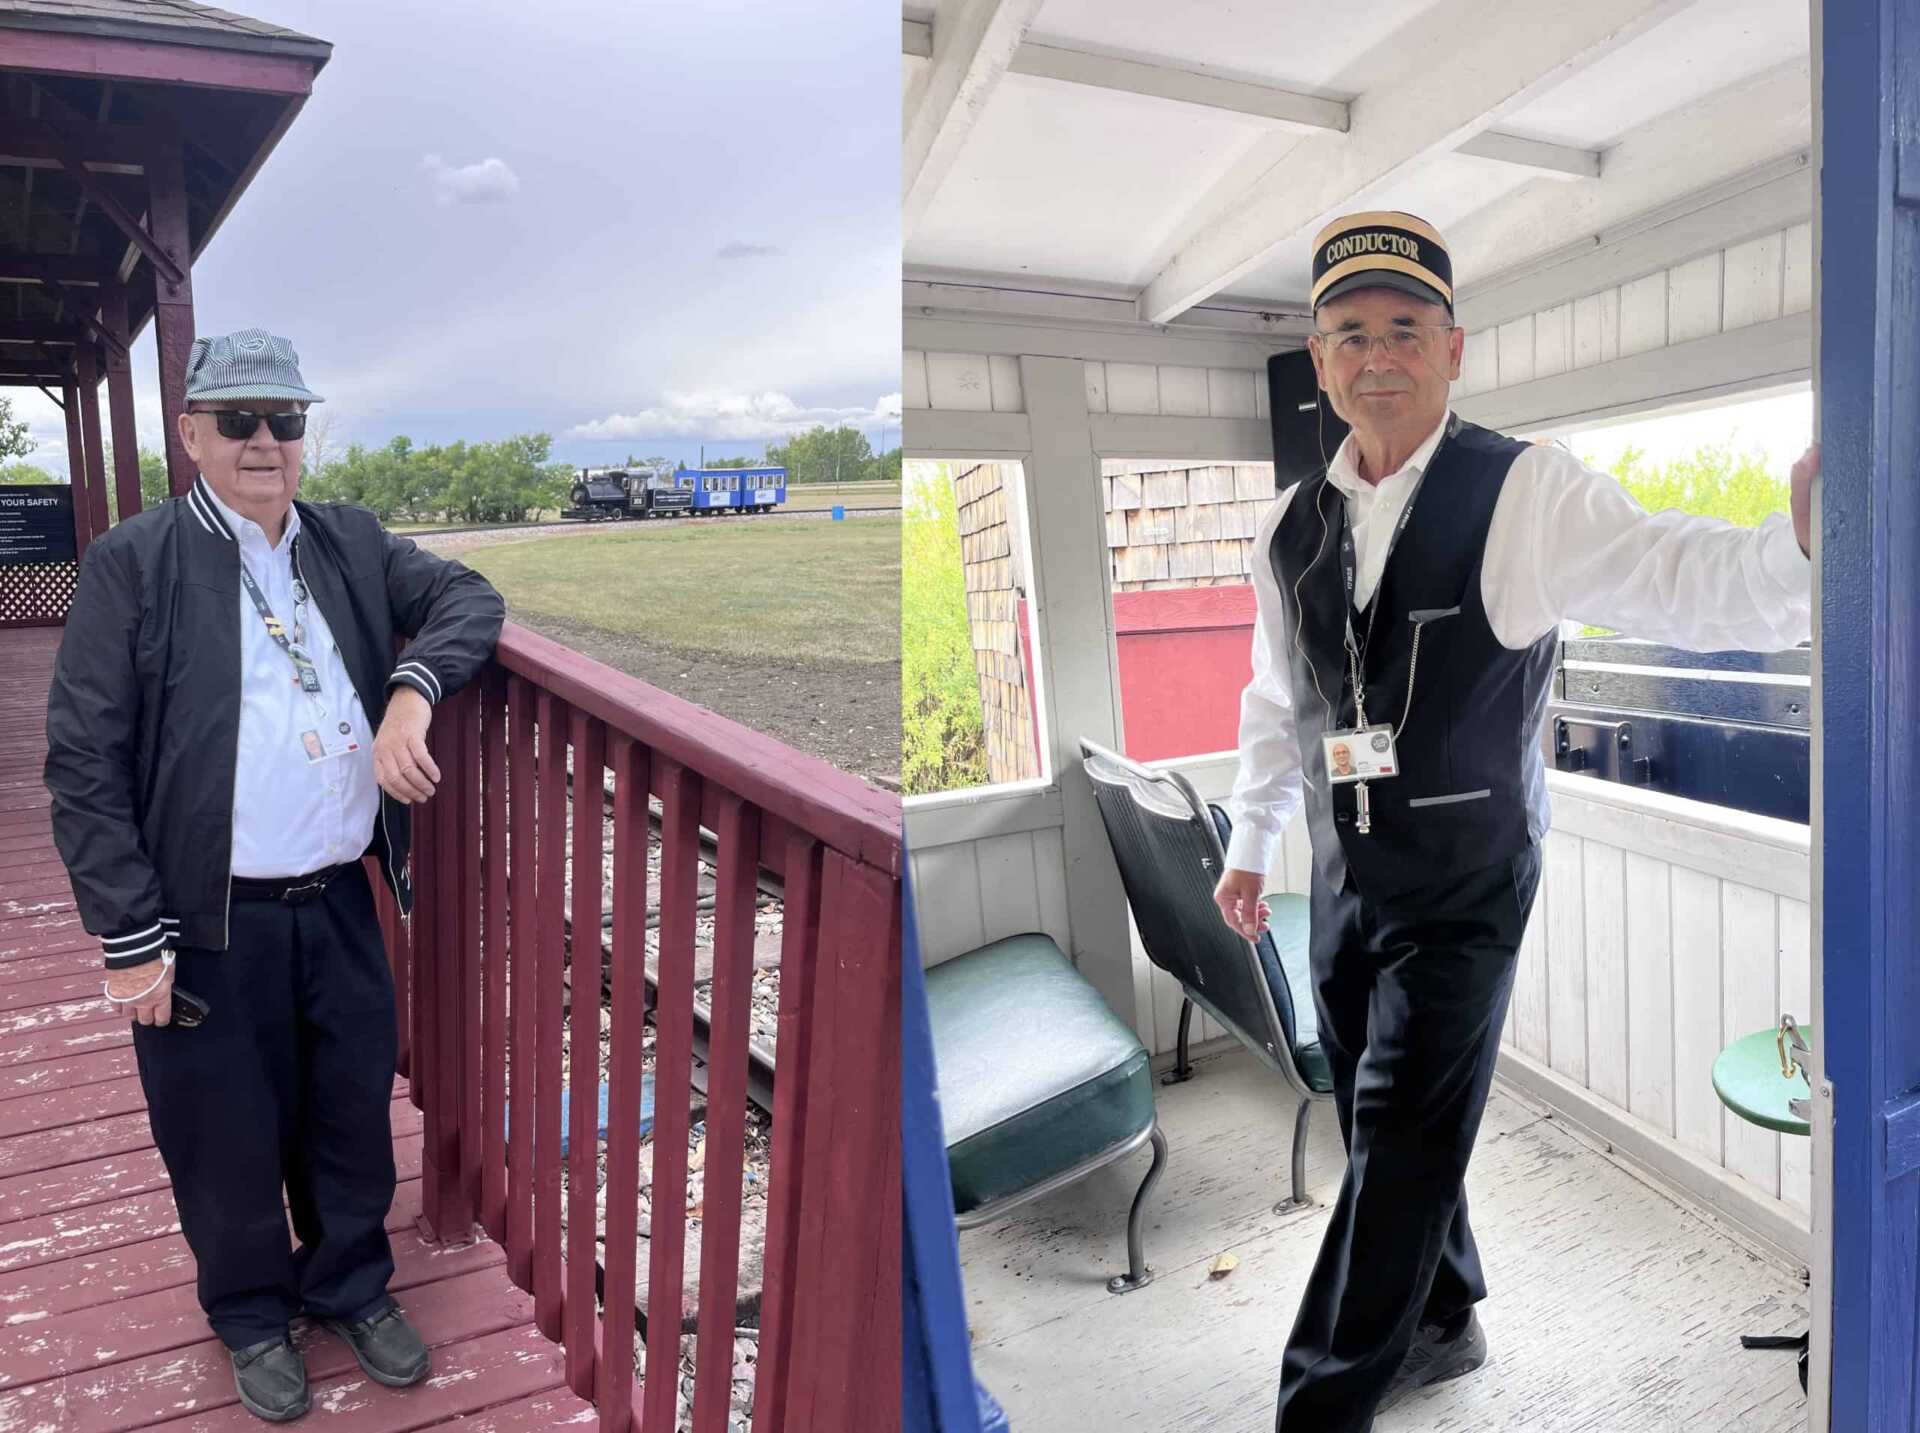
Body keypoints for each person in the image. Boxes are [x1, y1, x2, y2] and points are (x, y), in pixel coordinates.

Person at [1209, 213, 1814, 1433]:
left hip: (1468, 881)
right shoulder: (1290, 526)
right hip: (1343, 873)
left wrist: (1797, 548)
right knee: (1387, 1117)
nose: (1378, 354)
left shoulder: (1523, 491)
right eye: (1350, 334)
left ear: (1453, 347)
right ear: (1320, 362)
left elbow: (1673, 572)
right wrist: (1250, 840)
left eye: (1404, 329)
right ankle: (1448, 1313)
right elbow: (1284, 698)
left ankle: (1319, 1402)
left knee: (1392, 1142)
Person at [44, 329, 506, 1423]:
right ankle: (252, 1310)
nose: (266, 441)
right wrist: (128, 931)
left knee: (350, 1107)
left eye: (286, 419)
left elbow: (471, 599)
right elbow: (82, 759)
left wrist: (412, 688)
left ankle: (351, 1281)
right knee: (223, 1129)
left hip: (338, 896)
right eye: (241, 418)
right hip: (204, 917)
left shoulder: (346, 541)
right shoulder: (135, 562)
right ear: (192, 433)